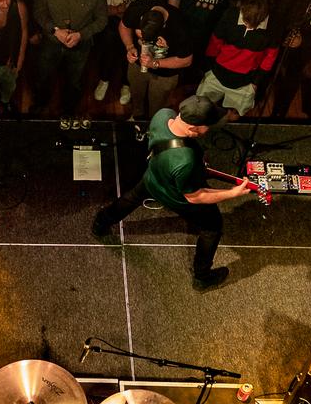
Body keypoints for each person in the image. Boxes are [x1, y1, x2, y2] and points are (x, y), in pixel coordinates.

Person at [92, 94, 249, 290]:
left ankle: (100, 224)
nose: (209, 129)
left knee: (131, 197)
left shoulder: (163, 115)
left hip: (153, 176)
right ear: (193, 129)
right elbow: (196, 196)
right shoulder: (185, 160)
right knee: (212, 228)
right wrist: (232, 193)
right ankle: (202, 276)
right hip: (175, 196)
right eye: (207, 125)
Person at [32, 0, 107, 118]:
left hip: (80, 42)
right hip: (52, 39)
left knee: (75, 80)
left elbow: (102, 20)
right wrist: (54, 30)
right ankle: (40, 105)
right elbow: (38, 11)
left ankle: (69, 111)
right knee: (43, 74)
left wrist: (81, 34)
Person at [94, 0, 160, 107]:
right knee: (111, 40)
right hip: (118, 20)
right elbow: (103, 9)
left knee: (136, 48)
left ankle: (126, 84)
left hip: (141, 23)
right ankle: (105, 78)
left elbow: (156, 6)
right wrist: (118, 9)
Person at [196, 0, 278, 119]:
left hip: (245, 82)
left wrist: (255, 83)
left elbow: (270, 57)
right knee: (201, 107)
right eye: (246, 21)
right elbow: (215, 42)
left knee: (235, 115)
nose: (248, 26)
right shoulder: (230, 15)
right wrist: (209, 69)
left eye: (252, 24)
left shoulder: (273, 26)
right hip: (216, 74)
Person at [119, 0, 192, 122]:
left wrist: (155, 63)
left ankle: (154, 123)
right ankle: (136, 116)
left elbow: (186, 60)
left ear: (163, 26)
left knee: (157, 103)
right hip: (137, 64)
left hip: (165, 74)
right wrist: (130, 47)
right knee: (136, 94)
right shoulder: (137, 9)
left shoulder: (180, 25)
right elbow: (123, 26)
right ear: (142, 18)